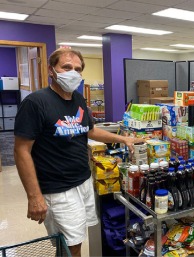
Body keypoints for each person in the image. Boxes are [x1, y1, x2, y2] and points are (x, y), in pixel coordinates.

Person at [13, 48, 143, 257]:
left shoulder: (78, 100)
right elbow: (21, 151)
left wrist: (123, 138)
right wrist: (34, 195)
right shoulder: (35, 103)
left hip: (83, 181)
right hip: (57, 188)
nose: (72, 73)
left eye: (77, 69)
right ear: (51, 70)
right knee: (72, 246)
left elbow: (90, 130)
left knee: (73, 239)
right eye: (66, 67)